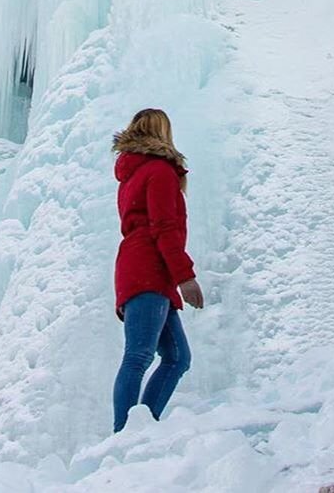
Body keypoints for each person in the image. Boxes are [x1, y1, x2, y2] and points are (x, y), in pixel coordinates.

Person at [111, 107, 204, 433]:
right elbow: (164, 228)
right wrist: (185, 277)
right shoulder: (159, 172)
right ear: (162, 133)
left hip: (142, 270)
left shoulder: (132, 175)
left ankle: (142, 428)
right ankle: (123, 433)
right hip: (149, 269)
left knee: (178, 358)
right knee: (138, 356)